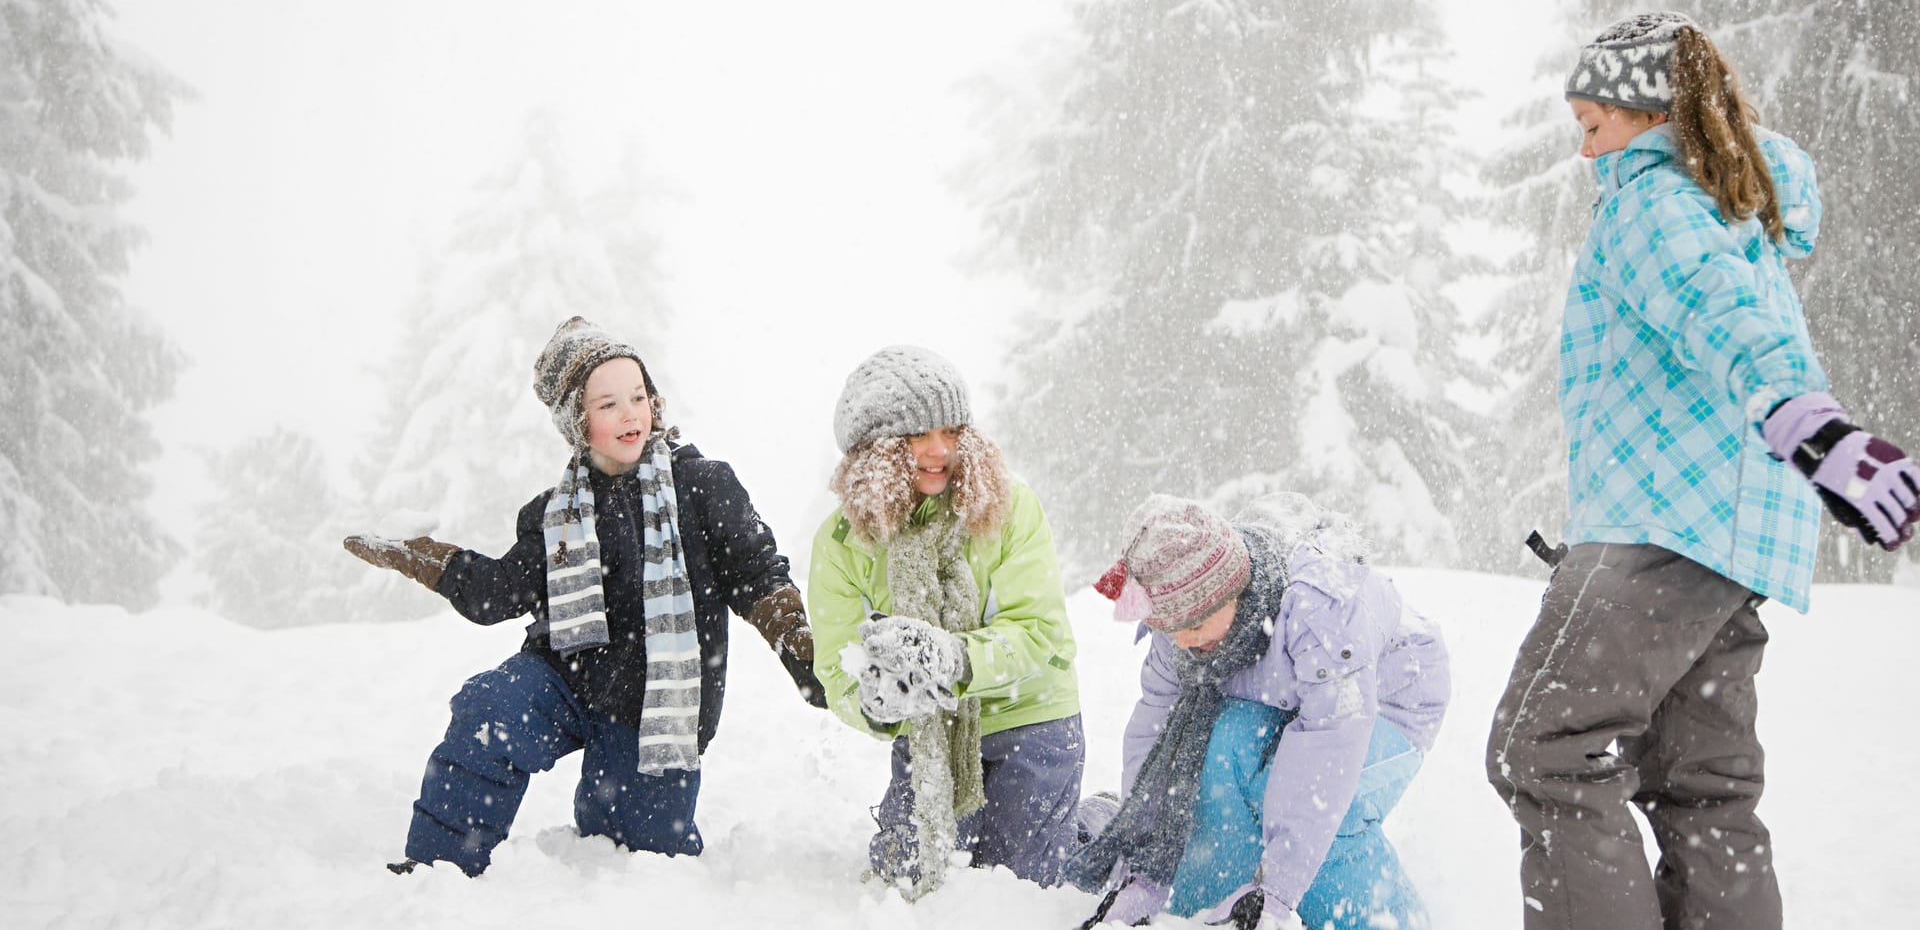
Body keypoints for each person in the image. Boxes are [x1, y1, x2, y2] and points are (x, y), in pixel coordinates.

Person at [1486, 12, 1920, 930]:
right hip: (1732, 544)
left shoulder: (1654, 202)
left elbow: (1716, 316)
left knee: (1548, 749)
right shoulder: (1729, 212)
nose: (1584, 150)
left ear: (1650, 117)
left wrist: (1812, 424)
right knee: (1704, 788)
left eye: (1594, 124)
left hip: (1658, 526)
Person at [341, 316, 825, 876]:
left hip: (655, 713)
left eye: (638, 396)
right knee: (489, 709)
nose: (630, 414)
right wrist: (424, 555)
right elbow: (496, 594)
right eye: (607, 404)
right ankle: (434, 872)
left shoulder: (704, 487)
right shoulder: (555, 513)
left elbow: (758, 574)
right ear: (578, 421)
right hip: (564, 677)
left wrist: (799, 646)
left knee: (635, 858)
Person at [1069, 494, 1449, 930]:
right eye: (1170, 630)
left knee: (1328, 807)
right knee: (1215, 754)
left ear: (1227, 594)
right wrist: (1147, 873)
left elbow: (1328, 753)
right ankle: (1202, 903)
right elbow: (1156, 740)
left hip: (1386, 699)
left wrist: (1279, 890)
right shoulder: (1178, 619)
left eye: (1192, 626)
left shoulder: (1319, 613)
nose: (1183, 642)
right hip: (1279, 695)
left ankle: (1376, 919)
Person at [808, 345, 1092, 898]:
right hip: (927, 733)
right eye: (917, 436)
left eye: (952, 430)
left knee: (1019, 893)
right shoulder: (842, 543)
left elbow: (1041, 634)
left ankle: (1093, 825)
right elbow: (837, 667)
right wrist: (876, 702)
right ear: (874, 451)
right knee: (913, 886)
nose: (940, 450)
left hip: (1030, 717)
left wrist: (953, 660)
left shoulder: (1009, 507)